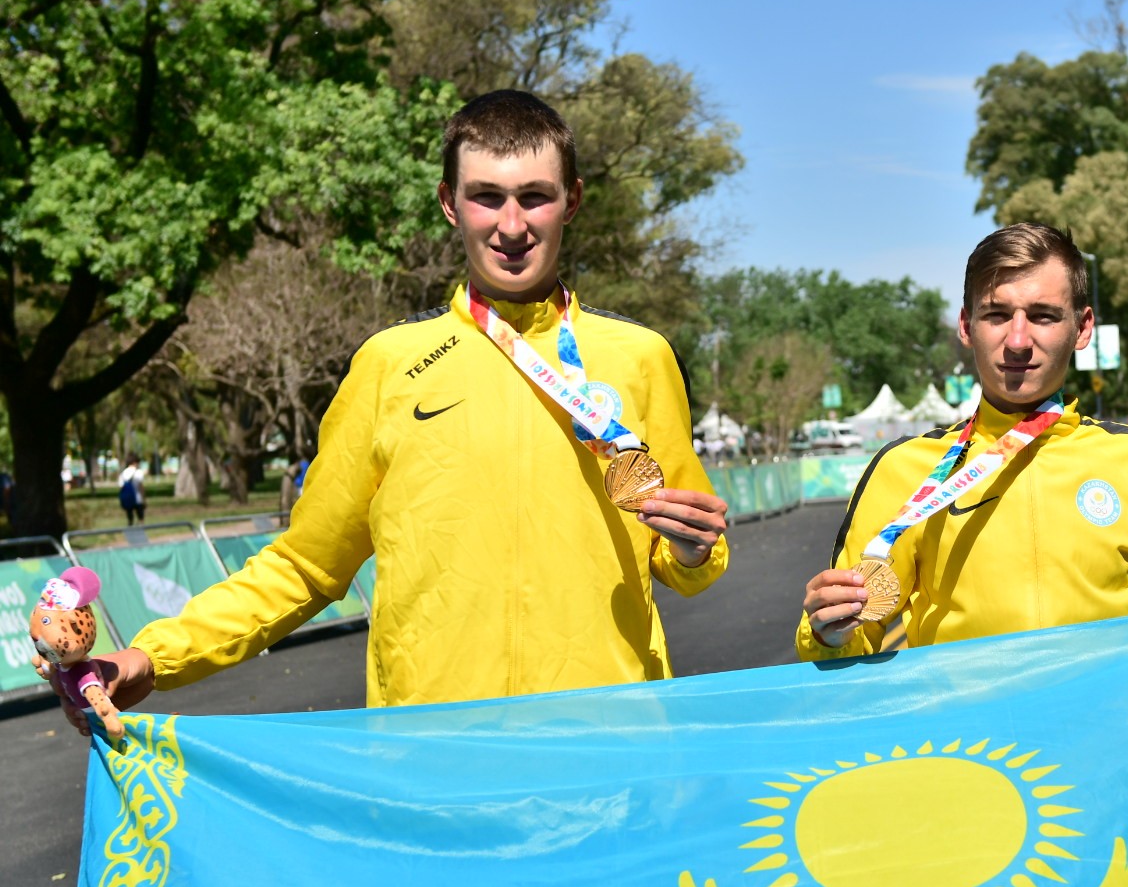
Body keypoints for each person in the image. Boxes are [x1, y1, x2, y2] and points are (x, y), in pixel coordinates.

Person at [49, 90, 730, 732]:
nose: (512, 225)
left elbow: (693, 555)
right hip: (433, 758)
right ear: (449, 203)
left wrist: (694, 549)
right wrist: (153, 657)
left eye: (536, 197)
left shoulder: (641, 357)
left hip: (608, 747)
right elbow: (306, 566)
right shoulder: (388, 363)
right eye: (486, 197)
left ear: (572, 200)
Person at [797, 223, 1128, 660]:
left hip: (1110, 765)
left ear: (1082, 328)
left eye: (1044, 316)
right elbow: (850, 641)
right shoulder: (903, 468)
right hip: (968, 764)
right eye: (997, 314)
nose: (1018, 340)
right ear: (966, 325)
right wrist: (829, 631)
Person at [116, 456, 146, 526]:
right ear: (135, 462)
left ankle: (131, 531)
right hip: (138, 498)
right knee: (140, 517)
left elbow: (121, 487)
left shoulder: (123, 473)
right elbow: (140, 486)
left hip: (128, 499)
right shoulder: (139, 472)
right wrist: (144, 498)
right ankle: (140, 532)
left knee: (130, 518)